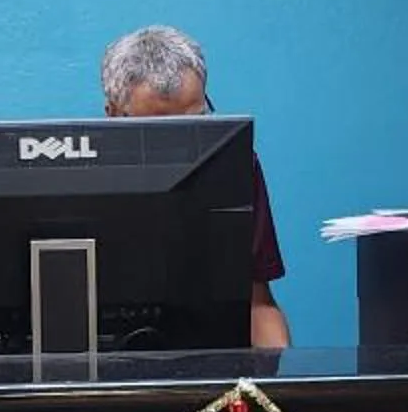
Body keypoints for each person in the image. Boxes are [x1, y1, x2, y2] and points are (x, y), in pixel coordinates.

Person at [100, 26, 291, 349]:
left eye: (197, 121)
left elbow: (257, 302)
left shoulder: (235, 166)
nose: (183, 145)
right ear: (115, 115)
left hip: (212, 375)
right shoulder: (83, 172)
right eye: (162, 132)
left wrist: (283, 393)